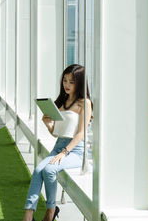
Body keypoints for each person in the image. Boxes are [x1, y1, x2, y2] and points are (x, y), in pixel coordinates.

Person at [22, 64, 93, 221]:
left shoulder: (85, 103)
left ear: (80, 83)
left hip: (75, 150)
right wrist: (48, 124)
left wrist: (65, 152)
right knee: (38, 170)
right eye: (65, 81)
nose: (66, 85)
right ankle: (28, 214)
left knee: (49, 170)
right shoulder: (62, 101)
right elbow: (58, 133)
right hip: (59, 146)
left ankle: (50, 211)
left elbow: (81, 133)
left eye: (71, 82)